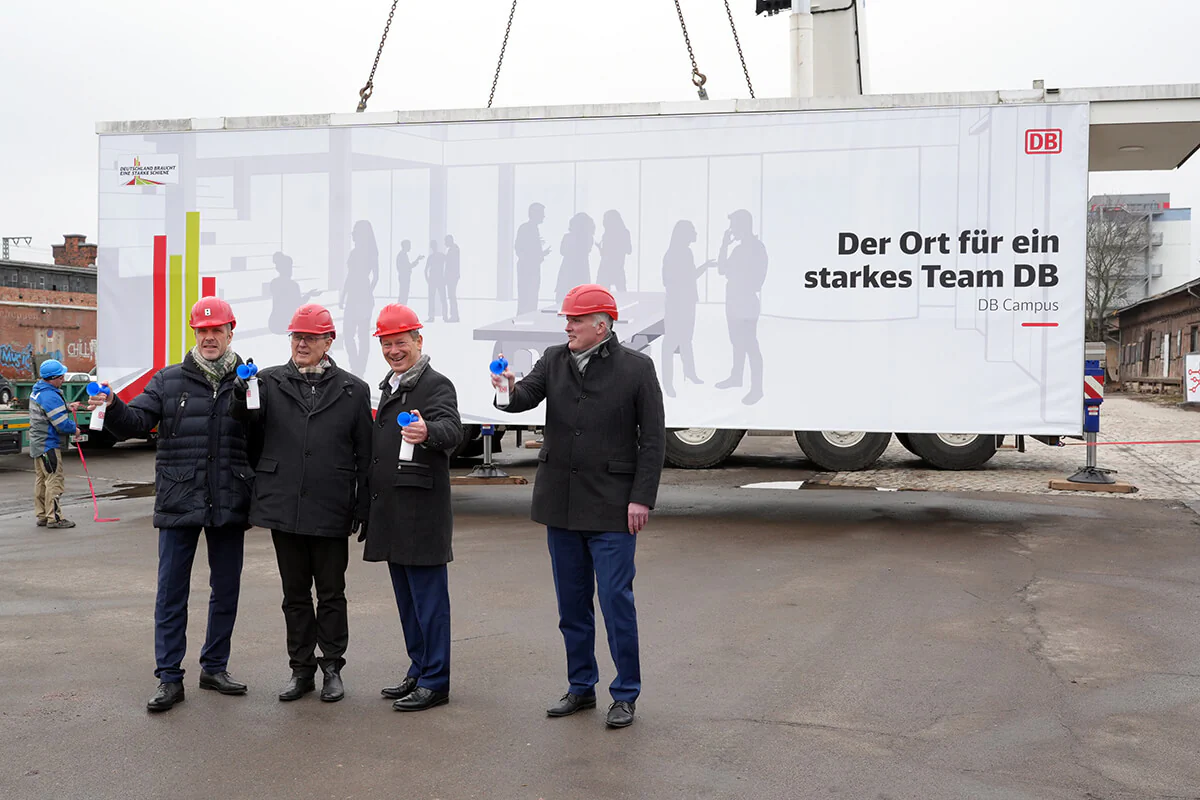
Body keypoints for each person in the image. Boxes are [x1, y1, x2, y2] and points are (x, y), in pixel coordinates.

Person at [491, 283, 665, 729]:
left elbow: (654, 441)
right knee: (572, 607)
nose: (567, 326)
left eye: (575, 320)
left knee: (615, 603)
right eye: (566, 320)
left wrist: (641, 497)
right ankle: (581, 687)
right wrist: (506, 389)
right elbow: (523, 398)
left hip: (612, 508)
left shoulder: (637, 369)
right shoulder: (553, 360)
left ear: (601, 325)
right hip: (561, 506)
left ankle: (625, 693)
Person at [89, 297, 254, 712]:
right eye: (203, 330)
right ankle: (169, 677)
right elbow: (136, 422)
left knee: (226, 589)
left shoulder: (250, 383)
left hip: (229, 497)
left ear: (231, 332)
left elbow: (265, 434)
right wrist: (112, 407)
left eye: (217, 330)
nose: (209, 336)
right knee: (171, 592)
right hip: (179, 496)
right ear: (195, 334)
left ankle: (215, 667)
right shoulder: (168, 380)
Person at [230, 303, 372, 704]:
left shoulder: (353, 390)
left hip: (331, 504)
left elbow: (365, 452)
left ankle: (332, 668)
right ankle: (300, 670)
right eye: (297, 337)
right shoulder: (267, 383)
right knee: (294, 593)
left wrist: (363, 506)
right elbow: (249, 432)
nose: (302, 344)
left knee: (331, 592)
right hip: (284, 504)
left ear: (329, 341)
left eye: (310, 337)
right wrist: (243, 398)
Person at [364, 303, 462, 712]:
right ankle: (418, 669)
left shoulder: (436, 385)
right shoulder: (391, 384)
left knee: (429, 602)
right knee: (407, 600)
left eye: (400, 342)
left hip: (421, 513)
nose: (393, 350)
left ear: (418, 341)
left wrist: (429, 432)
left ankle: (436, 680)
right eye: (387, 344)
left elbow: (452, 430)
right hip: (392, 512)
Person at [715, 209, 768, 405]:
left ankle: (757, 389)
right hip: (734, 300)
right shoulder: (738, 249)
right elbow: (722, 269)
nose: (731, 229)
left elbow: (757, 279)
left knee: (750, 344)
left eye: (734, 224)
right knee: (736, 342)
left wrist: (740, 279)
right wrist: (724, 245)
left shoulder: (756, 248)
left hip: (746, 301)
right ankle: (736, 377)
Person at [28, 358, 80, 529]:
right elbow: (62, 424)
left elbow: (49, 409)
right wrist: (75, 429)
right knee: (54, 479)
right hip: (48, 444)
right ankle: (55, 518)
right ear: (52, 379)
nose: (63, 380)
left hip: (38, 444)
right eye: (60, 377)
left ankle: (42, 515)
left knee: (42, 480)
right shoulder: (50, 395)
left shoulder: (39, 390)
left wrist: (67, 406)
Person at [660, 221, 710, 397]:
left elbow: (690, 276)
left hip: (687, 302)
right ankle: (667, 383)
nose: (695, 233)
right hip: (676, 303)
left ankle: (690, 373)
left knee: (687, 339)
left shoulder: (686, 252)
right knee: (671, 342)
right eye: (692, 230)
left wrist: (704, 267)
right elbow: (669, 280)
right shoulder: (673, 254)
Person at [341, 220, 380, 377]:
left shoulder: (364, 253)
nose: (352, 235)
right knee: (354, 334)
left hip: (359, 296)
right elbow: (372, 277)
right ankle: (357, 367)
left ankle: (358, 368)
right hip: (357, 296)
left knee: (358, 334)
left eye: (355, 232)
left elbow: (375, 276)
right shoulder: (361, 253)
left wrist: (366, 291)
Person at [268, 252, 322, 335]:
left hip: (274, 323)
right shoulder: (293, 285)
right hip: (287, 324)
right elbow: (298, 303)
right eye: (290, 268)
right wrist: (309, 295)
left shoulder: (274, 283)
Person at [514, 203, 551, 315]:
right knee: (527, 295)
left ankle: (528, 316)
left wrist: (540, 254)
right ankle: (525, 317)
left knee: (531, 295)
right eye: (542, 214)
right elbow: (520, 248)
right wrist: (538, 255)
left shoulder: (531, 228)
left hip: (531, 266)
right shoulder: (527, 228)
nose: (544, 216)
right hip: (528, 267)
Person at [555, 213, 596, 307]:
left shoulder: (568, 237)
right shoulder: (588, 238)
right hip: (581, 269)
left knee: (563, 297)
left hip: (569, 268)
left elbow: (563, 251)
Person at [596, 210, 632, 293]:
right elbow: (629, 250)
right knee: (621, 293)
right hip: (616, 267)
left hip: (610, 267)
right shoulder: (624, 232)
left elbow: (628, 250)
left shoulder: (608, 234)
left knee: (602, 293)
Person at [425, 239, 447, 323]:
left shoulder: (440, 256)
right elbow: (426, 270)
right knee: (434, 298)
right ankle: (433, 316)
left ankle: (443, 316)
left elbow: (426, 270)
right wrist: (428, 279)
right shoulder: (438, 256)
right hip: (434, 280)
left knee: (441, 298)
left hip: (438, 279)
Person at [395, 240, 424, 305]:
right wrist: (417, 260)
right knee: (403, 294)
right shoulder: (402, 255)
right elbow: (408, 267)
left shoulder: (402, 255)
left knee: (403, 294)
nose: (410, 247)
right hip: (404, 278)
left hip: (404, 277)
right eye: (409, 245)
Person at [443, 235, 461, 323]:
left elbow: (450, 263)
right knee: (451, 296)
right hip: (452, 276)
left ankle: (454, 316)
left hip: (452, 276)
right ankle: (454, 315)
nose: (445, 243)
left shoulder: (453, 249)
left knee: (452, 296)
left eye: (445, 241)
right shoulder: (454, 249)